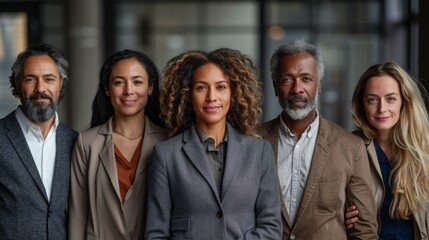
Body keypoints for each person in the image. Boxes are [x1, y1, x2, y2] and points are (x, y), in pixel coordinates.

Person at [144, 48, 282, 239]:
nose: (211, 97)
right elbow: (156, 234)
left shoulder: (259, 152)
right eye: (201, 87)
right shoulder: (166, 155)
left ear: (233, 93)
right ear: (188, 94)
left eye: (221, 87)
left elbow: (271, 227)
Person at [256, 39, 378, 239]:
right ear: (275, 86)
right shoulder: (252, 141)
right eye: (287, 79)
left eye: (306, 79)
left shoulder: (350, 147)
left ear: (319, 85)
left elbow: (364, 231)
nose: (297, 89)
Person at [68, 49, 167, 240]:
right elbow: (78, 215)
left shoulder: (168, 141)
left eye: (137, 82)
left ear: (150, 88)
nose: (128, 90)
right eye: (119, 82)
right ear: (107, 89)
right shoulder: (87, 142)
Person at [0, 43, 77, 239]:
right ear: (17, 84)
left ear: (61, 84)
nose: (40, 88)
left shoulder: (76, 142)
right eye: (30, 79)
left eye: (49, 79)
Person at [344, 61, 429, 239]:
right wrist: (340, 214)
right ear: (362, 105)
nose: (382, 109)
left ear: (404, 102)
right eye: (372, 100)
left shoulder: (424, 148)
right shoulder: (348, 148)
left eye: (390, 98)